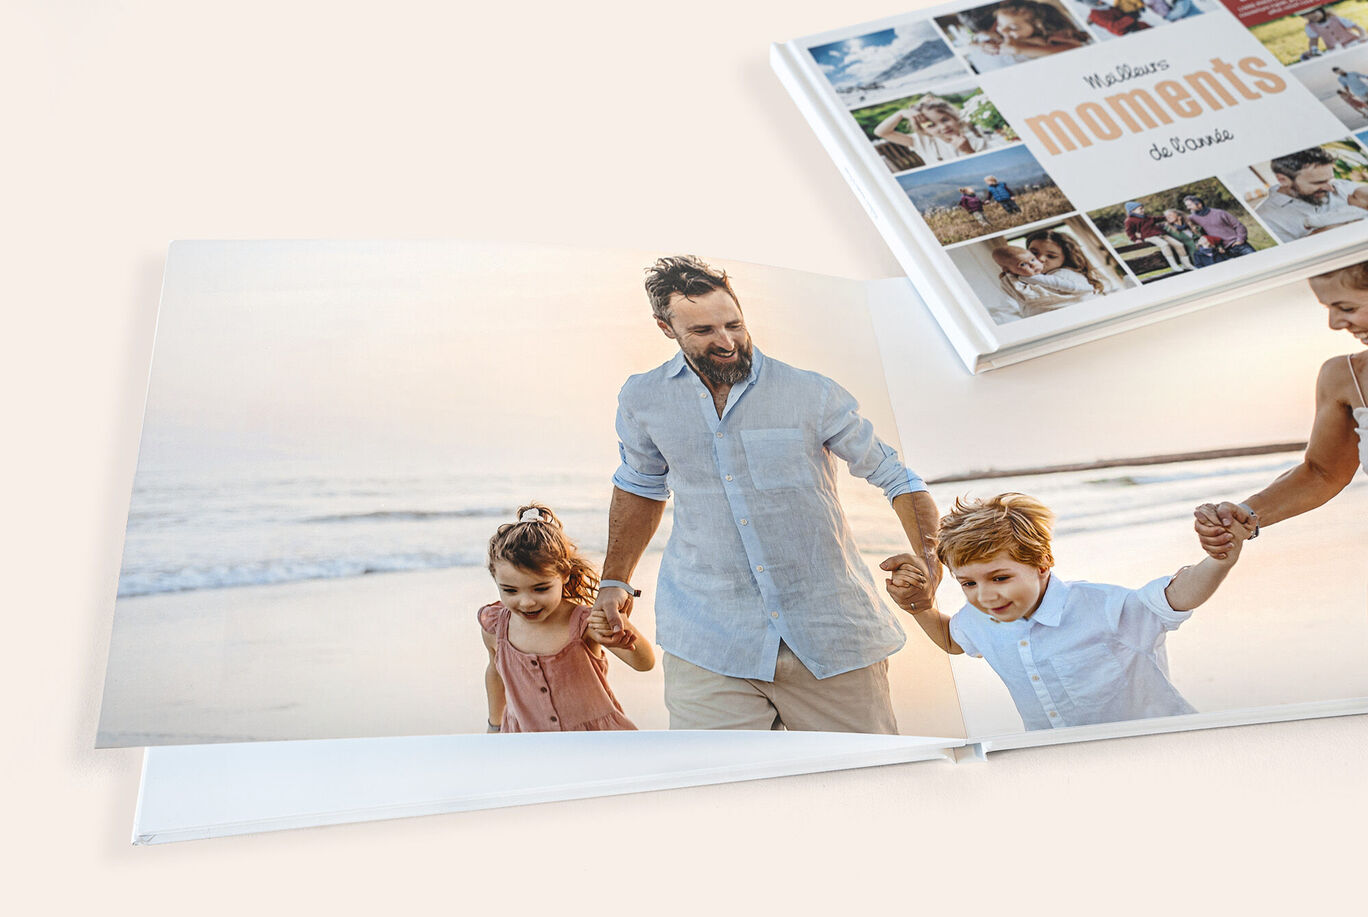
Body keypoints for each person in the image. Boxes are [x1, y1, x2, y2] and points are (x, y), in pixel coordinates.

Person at [592, 255, 940, 733]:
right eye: (703, 331)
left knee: (864, 773)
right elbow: (640, 485)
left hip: (831, 634)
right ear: (665, 327)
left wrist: (930, 560)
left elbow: (897, 478)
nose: (726, 342)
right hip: (708, 637)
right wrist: (614, 580)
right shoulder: (643, 398)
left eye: (733, 324)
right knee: (720, 778)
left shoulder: (810, 393)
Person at [881, 493, 1249, 731]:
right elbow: (952, 640)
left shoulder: (1101, 607)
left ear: (1042, 564)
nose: (986, 595)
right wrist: (920, 607)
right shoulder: (979, 619)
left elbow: (1175, 596)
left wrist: (1220, 559)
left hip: (1163, 749)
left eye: (1000, 577)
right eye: (968, 583)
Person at [1194, 261, 1368, 558]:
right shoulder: (1344, 376)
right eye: (1328, 307)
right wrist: (1245, 515)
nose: (1334, 323)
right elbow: (1321, 473)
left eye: (1346, 308)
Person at [480, 504, 655, 733]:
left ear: (564, 575)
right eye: (510, 590)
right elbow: (495, 673)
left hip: (594, 740)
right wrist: (494, 726)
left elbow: (644, 663)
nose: (526, 602)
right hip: (527, 740)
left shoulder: (585, 623)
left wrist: (622, 630)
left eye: (540, 588)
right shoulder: (495, 627)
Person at [1255, 146, 1368, 241]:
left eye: (1330, 179)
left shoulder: (1344, 186)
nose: (1331, 188)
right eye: (1318, 182)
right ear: (1283, 180)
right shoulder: (1265, 219)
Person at [872, 95, 1005, 164]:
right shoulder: (921, 141)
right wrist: (900, 114)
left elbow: (988, 164)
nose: (943, 127)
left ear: (955, 118)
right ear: (924, 130)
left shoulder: (975, 140)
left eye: (945, 120)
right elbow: (881, 132)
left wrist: (968, 150)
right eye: (931, 125)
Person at [992, 244, 1093, 319]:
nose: (1033, 264)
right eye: (1023, 264)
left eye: (1032, 259)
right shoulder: (1023, 279)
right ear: (1008, 270)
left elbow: (1068, 286)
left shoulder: (1059, 274)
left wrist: (1088, 288)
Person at [1025, 228, 1107, 294]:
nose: (1040, 259)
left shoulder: (1063, 275)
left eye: (1051, 256)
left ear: (1067, 259)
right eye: (1033, 253)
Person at [1124, 201, 1195, 272]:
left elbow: (1156, 219)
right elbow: (1129, 232)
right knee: (1164, 245)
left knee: (1179, 245)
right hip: (1149, 236)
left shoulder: (1145, 217)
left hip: (1161, 234)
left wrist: (1167, 217)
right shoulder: (1129, 221)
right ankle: (1173, 265)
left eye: (1142, 208)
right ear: (1132, 210)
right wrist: (1135, 239)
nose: (1143, 210)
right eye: (1140, 208)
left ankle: (1186, 264)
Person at [1181, 194, 1256, 256]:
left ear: (1199, 204)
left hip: (1238, 245)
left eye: (1189, 205)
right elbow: (1181, 226)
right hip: (1221, 252)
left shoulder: (1219, 213)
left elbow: (1239, 226)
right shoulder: (1191, 219)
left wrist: (1240, 240)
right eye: (1186, 206)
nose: (1188, 208)